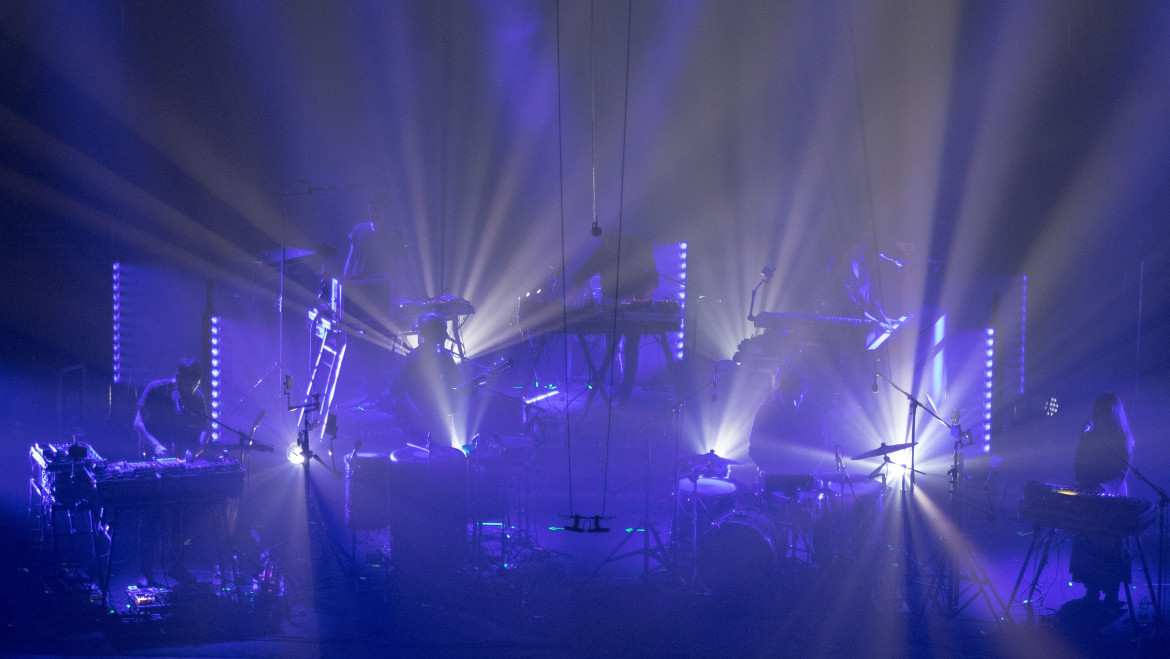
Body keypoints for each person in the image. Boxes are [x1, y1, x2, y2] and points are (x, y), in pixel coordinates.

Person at [133, 358, 211, 586]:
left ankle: (177, 566)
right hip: (152, 462)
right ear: (178, 378)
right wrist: (155, 444)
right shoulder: (157, 389)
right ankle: (146, 572)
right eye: (189, 383)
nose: (193, 387)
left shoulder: (197, 398)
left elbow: (205, 431)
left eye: (197, 382)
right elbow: (138, 423)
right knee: (151, 518)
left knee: (181, 519)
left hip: (179, 465)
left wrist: (195, 451)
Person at [570, 231, 659, 406]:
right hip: (611, 307)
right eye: (610, 248)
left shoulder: (641, 250)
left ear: (623, 242)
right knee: (611, 350)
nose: (615, 251)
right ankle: (611, 389)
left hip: (634, 308)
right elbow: (584, 273)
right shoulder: (601, 253)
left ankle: (625, 393)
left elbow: (653, 278)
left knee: (631, 350)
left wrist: (642, 302)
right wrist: (570, 294)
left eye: (618, 247)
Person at [1070, 393, 1136, 606]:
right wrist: (1083, 437)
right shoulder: (1090, 434)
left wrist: (1102, 487)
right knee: (1088, 542)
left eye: (1103, 410)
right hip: (1090, 494)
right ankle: (1091, 589)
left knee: (1109, 544)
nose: (1098, 414)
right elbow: (1078, 463)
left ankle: (1111, 592)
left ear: (1112, 413)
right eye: (1096, 410)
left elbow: (1121, 472)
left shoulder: (1122, 438)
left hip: (1112, 496)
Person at [392, 314, 461, 446]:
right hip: (421, 423)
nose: (446, 335)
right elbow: (397, 390)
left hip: (440, 419)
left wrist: (476, 384)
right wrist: (415, 413)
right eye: (442, 330)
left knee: (444, 456)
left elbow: (456, 383)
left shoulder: (446, 357)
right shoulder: (415, 358)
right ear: (430, 333)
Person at [748, 370, 828, 478]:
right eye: (789, 396)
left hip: (804, 474)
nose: (794, 402)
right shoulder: (766, 411)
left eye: (798, 396)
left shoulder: (815, 412)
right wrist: (771, 470)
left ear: (804, 393)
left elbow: (820, 447)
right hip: (772, 474)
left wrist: (805, 471)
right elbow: (755, 447)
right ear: (780, 393)